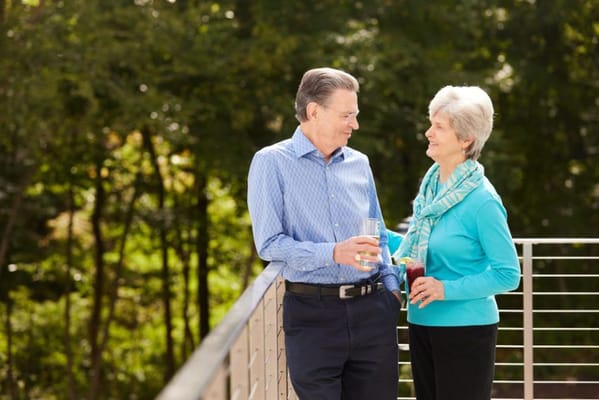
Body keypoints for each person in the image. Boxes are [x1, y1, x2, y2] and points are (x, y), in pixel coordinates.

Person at [247, 67, 403, 400]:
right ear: (314, 111)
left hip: (373, 311)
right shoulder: (270, 162)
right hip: (312, 315)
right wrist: (333, 252)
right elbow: (269, 243)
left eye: (356, 115)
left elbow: (379, 232)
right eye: (347, 115)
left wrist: (390, 286)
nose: (355, 124)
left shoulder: (360, 163)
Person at [393, 85, 521, 400]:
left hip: (466, 329)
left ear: (466, 140)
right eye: (431, 124)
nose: (427, 133)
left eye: (439, 127)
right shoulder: (430, 188)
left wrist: (444, 289)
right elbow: (419, 249)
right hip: (421, 321)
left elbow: (508, 274)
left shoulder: (482, 200)